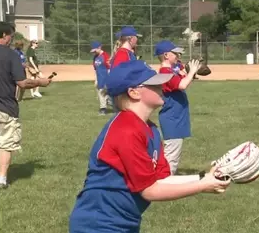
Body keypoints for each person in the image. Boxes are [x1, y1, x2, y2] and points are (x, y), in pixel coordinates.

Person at [68, 60, 230, 233]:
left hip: (124, 221)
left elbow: (161, 179)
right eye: (154, 83)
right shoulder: (126, 129)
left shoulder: (150, 129)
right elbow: (150, 191)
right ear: (134, 92)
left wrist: (204, 177)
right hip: (98, 223)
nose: (162, 85)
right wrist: (203, 186)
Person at [0, 22, 52, 189]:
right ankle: (2, 179)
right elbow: (21, 83)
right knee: (5, 143)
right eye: (11, 36)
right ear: (5, 35)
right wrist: (40, 83)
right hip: (4, 106)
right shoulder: (11, 55)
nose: (11, 40)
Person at [155, 40, 199, 175]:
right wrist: (191, 72)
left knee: (173, 153)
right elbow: (182, 85)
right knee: (171, 155)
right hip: (172, 118)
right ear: (166, 55)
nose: (178, 56)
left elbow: (182, 78)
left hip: (176, 117)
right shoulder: (164, 72)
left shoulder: (171, 69)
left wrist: (189, 72)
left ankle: (165, 178)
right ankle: (165, 181)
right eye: (175, 53)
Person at [90, 41, 110, 115]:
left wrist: (108, 79)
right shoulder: (95, 57)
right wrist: (96, 79)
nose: (94, 52)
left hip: (105, 77)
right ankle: (104, 107)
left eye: (95, 50)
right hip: (99, 77)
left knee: (103, 92)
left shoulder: (105, 55)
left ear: (99, 47)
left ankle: (103, 108)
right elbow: (96, 69)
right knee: (101, 92)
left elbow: (109, 68)